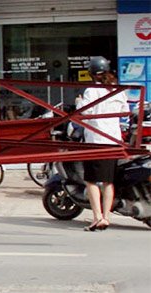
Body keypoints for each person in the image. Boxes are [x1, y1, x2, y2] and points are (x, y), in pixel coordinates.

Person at [75, 56, 129, 231]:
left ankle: (97, 217)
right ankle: (106, 217)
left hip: (96, 141)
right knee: (108, 182)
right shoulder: (117, 90)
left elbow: (85, 112)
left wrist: (78, 102)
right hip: (113, 140)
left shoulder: (92, 90)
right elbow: (125, 112)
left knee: (91, 181)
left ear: (91, 73)